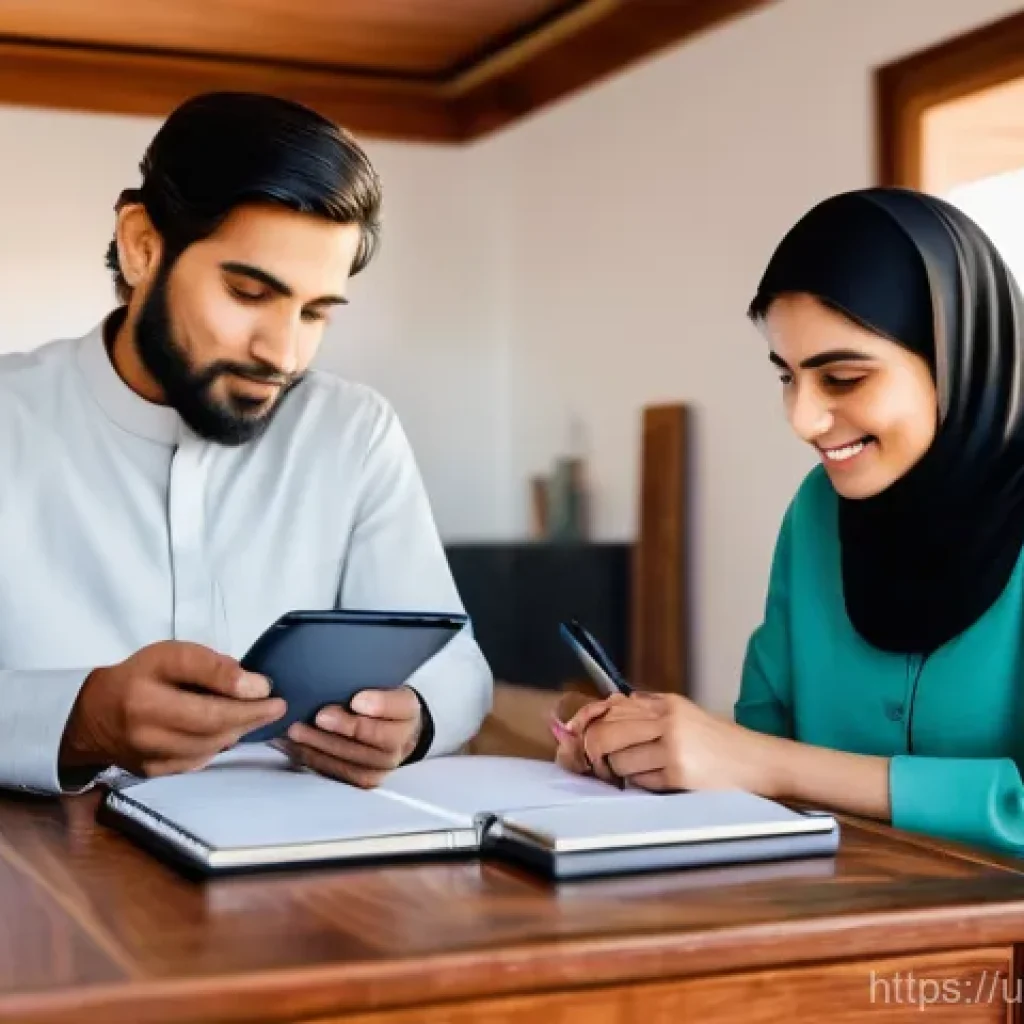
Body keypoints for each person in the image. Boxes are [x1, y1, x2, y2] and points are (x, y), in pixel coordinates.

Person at [0, 91, 492, 795]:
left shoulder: (354, 432)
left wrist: (411, 720)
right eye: (248, 293)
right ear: (143, 246)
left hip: (300, 873)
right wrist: (79, 719)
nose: (284, 354)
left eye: (316, 312)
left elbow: (456, 667)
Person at [554, 186, 1024, 855]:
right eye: (786, 376)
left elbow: (765, 759)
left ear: (957, 360)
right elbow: (756, 746)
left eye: (843, 379)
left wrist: (767, 764)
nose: (802, 420)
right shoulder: (817, 512)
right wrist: (659, 752)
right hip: (823, 928)